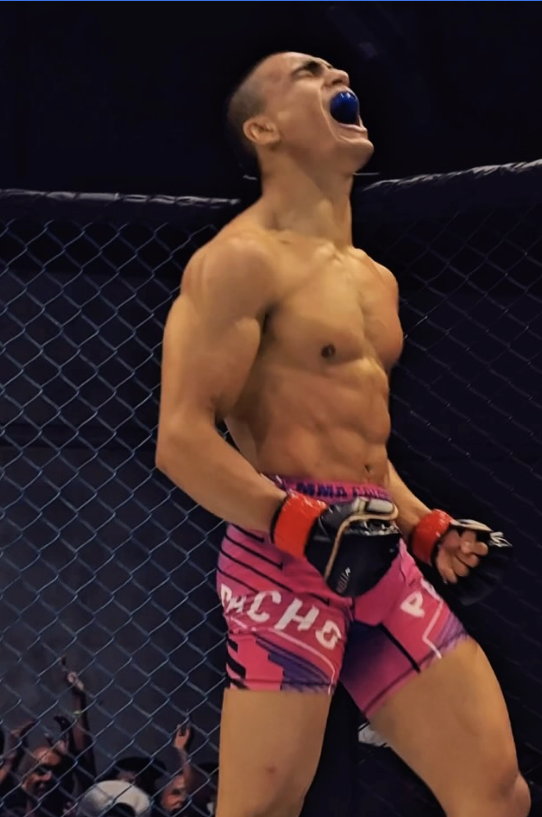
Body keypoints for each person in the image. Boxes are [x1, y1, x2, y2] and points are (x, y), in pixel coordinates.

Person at [155, 51, 530, 817]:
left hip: (377, 550)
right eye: (306, 72)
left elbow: (360, 453)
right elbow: (182, 439)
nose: (334, 75)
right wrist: (302, 525)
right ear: (264, 129)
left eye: (334, 71)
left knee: (495, 793)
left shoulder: (374, 280)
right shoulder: (237, 261)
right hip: (283, 560)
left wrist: (425, 526)